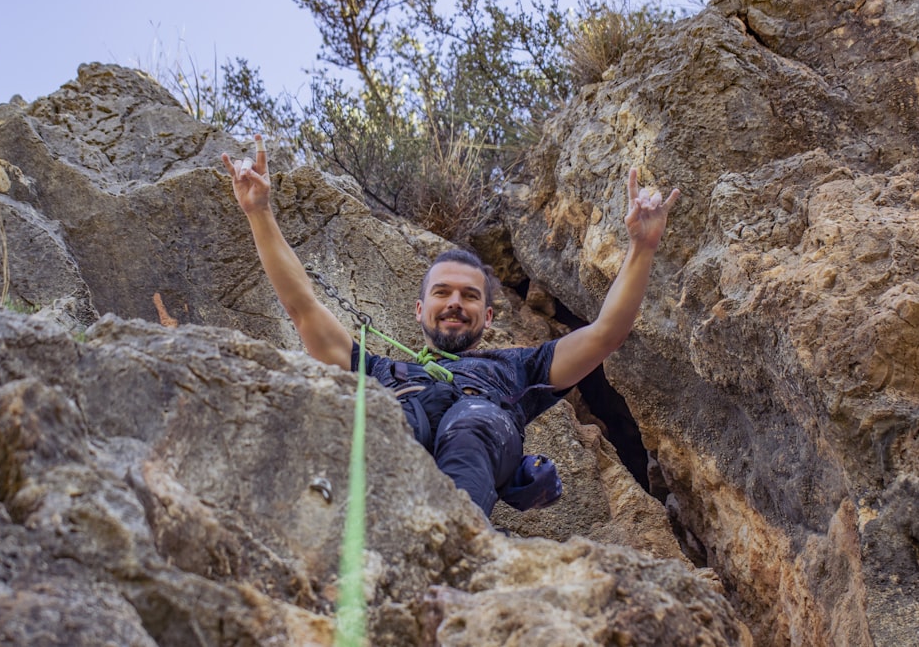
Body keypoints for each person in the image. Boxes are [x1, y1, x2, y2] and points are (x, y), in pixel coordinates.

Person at [221, 137, 679, 517]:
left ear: (489, 317)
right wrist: (259, 213)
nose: (455, 303)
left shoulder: (519, 369)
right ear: (419, 310)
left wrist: (642, 247)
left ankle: (457, 542)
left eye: (470, 295)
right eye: (442, 293)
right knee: (390, 418)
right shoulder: (378, 371)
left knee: (472, 423)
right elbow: (301, 307)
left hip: (483, 424)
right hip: (397, 418)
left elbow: (606, 335)